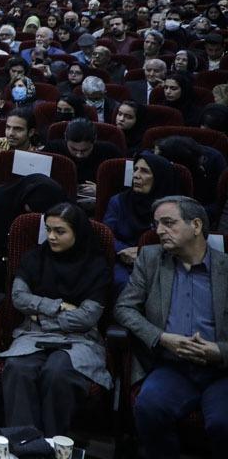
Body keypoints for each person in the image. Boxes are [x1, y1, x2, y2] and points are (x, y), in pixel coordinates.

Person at [115, 196, 228, 457]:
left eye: (168, 223)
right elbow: (123, 308)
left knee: (223, 424)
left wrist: (220, 351)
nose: (159, 231)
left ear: (196, 225)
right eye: (156, 224)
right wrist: (162, 337)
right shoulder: (151, 259)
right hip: (172, 366)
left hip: (221, 371)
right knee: (148, 407)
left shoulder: (225, 267)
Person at [0, 203, 112, 437]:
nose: (51, 237)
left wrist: (41, 316)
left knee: (57, 372)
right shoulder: (34, 258)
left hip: (79, 339)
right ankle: (24, 443)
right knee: (19, 368)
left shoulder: (96, 266)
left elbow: (87, 317)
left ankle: (52, 444)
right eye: (49, 230)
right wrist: (58, 306)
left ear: (77, 233)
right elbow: (19, 298)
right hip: (33, 334)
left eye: (60, 231)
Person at [104, 153, 176, 290]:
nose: (136, 175)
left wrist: (141, 252)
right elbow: (107, 236)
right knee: (124, 283)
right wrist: (124, 250)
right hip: (122, 260)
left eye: (144, 171)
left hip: (162, 261)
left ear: (159, 178)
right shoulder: (118, 201)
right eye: (135, 169)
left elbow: (179, 241)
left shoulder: (173, 209)